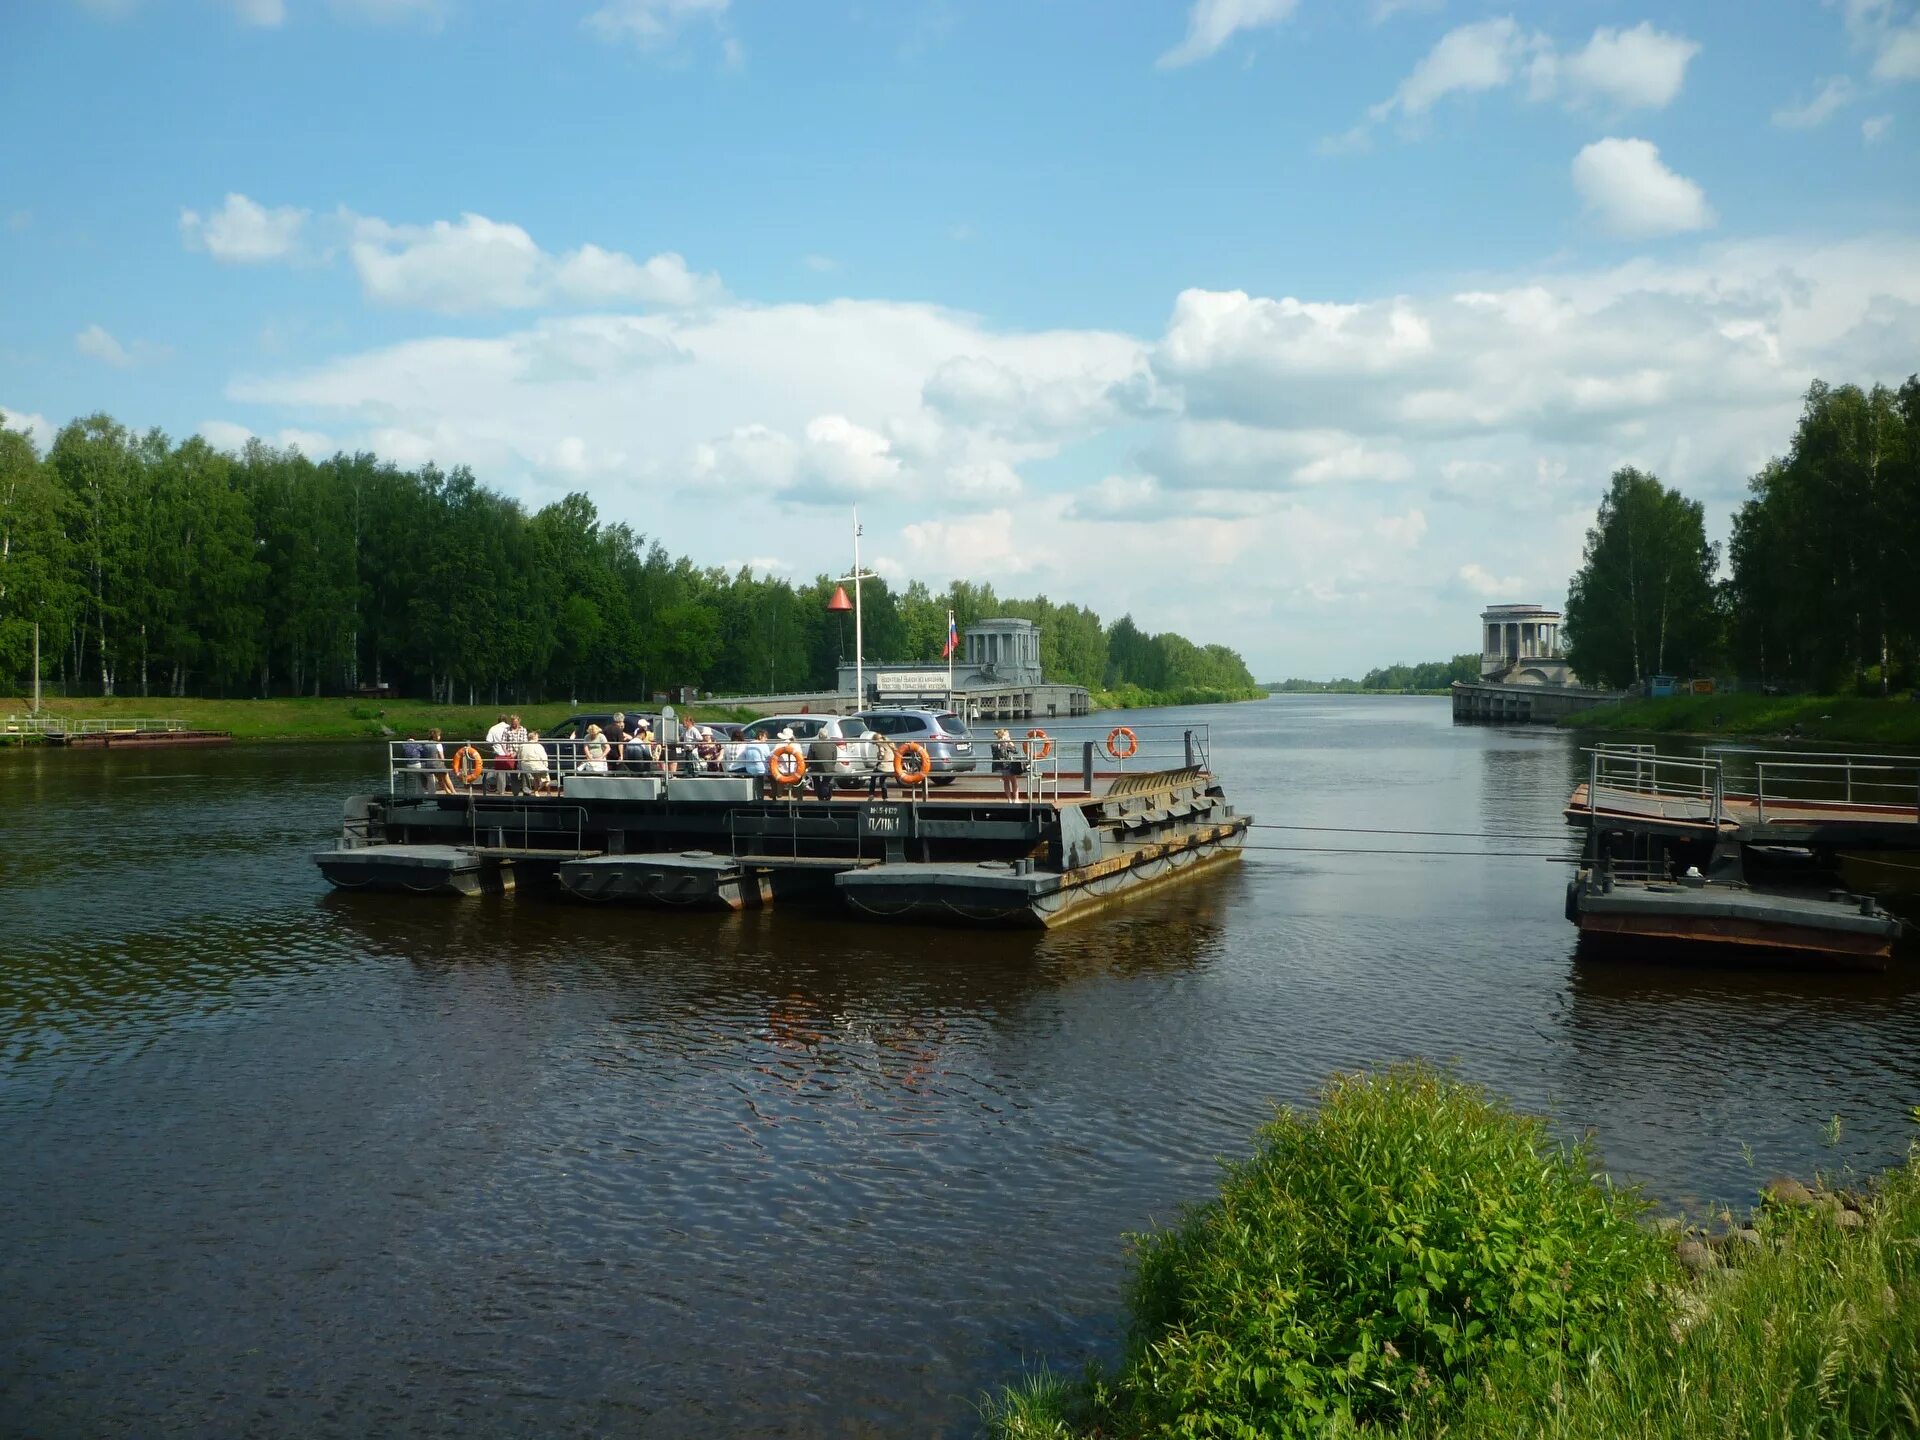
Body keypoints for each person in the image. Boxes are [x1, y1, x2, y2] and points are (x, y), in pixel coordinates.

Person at [808, 724, 838, 801]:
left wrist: (812, 765)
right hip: (829, 768)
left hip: (816, 767)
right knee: (827, 780)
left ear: (819, 735)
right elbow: (834, 759)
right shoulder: (833, 744)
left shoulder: (813, 744)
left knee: (815, 778)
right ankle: (826, 792)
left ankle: (820, 795)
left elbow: (810, 758)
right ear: (827, 736)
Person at [485, 713, 512, 794]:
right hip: (510, 753)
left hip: (499, 753)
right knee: (513, 772)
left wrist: (494, 746)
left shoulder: (493, 728)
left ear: (498, 720)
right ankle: (514, 789)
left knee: (500, 773)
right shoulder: (509, 727)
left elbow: (488, 740)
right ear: (506, 720)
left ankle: (501, 790)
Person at [519, 729, 553, 793]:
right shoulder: (538, 746)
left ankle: (536, 792)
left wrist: (520, 766)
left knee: (536, 777)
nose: (538, 738)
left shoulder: (522, 746)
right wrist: (546, 766)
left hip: (525, 766)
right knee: (546, 777)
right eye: (537, 737)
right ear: (534, 737)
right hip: (536, 766)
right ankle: (548, 792)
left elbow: (519, 757)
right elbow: (543, 757)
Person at [992, 726, 1022, 801]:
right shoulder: (1005, 745)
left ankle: (1009, 799)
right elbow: (1015, 751)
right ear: (1004, 736)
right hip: (1005, 766)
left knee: (1006, 781)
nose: (1009, 737)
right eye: (1008, 736)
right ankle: (1016, 799)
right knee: (1014, 781)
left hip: (997, 767)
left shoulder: (994, 745)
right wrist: (1010, 744)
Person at [504, 713, 529, 794]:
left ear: (519, 722)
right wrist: (506, 752)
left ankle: (526, 789)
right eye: (512, 723)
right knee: (513, 773)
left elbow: (525, 743)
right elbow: (503, 742)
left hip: (521, 754)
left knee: (524, 771)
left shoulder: (523, 730)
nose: (514, 725)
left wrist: (516, 752)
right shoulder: (506, 730)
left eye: (515, 723)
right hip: (510, 754)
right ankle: (515, 791)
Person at [426, 727, 455, 794]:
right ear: (436, 736)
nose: (440, 737)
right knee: (446, 777)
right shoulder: (438, 744)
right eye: (439, 735)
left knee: (439, 779)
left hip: (429, 764)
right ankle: (453, 791)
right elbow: (442, 757)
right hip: (438, 763)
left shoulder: (427, 744)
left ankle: (447, 791)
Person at [868, 730, 895, 800]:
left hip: (884, 766)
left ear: (876, 740)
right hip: (891, 766)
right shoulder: (888, 743)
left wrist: (876, 765)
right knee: (882, 779)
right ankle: (885, 797)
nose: (875, 745)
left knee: (873, 776)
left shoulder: (880, 744)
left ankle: (871, 794)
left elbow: (882, 756)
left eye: (875, 743)